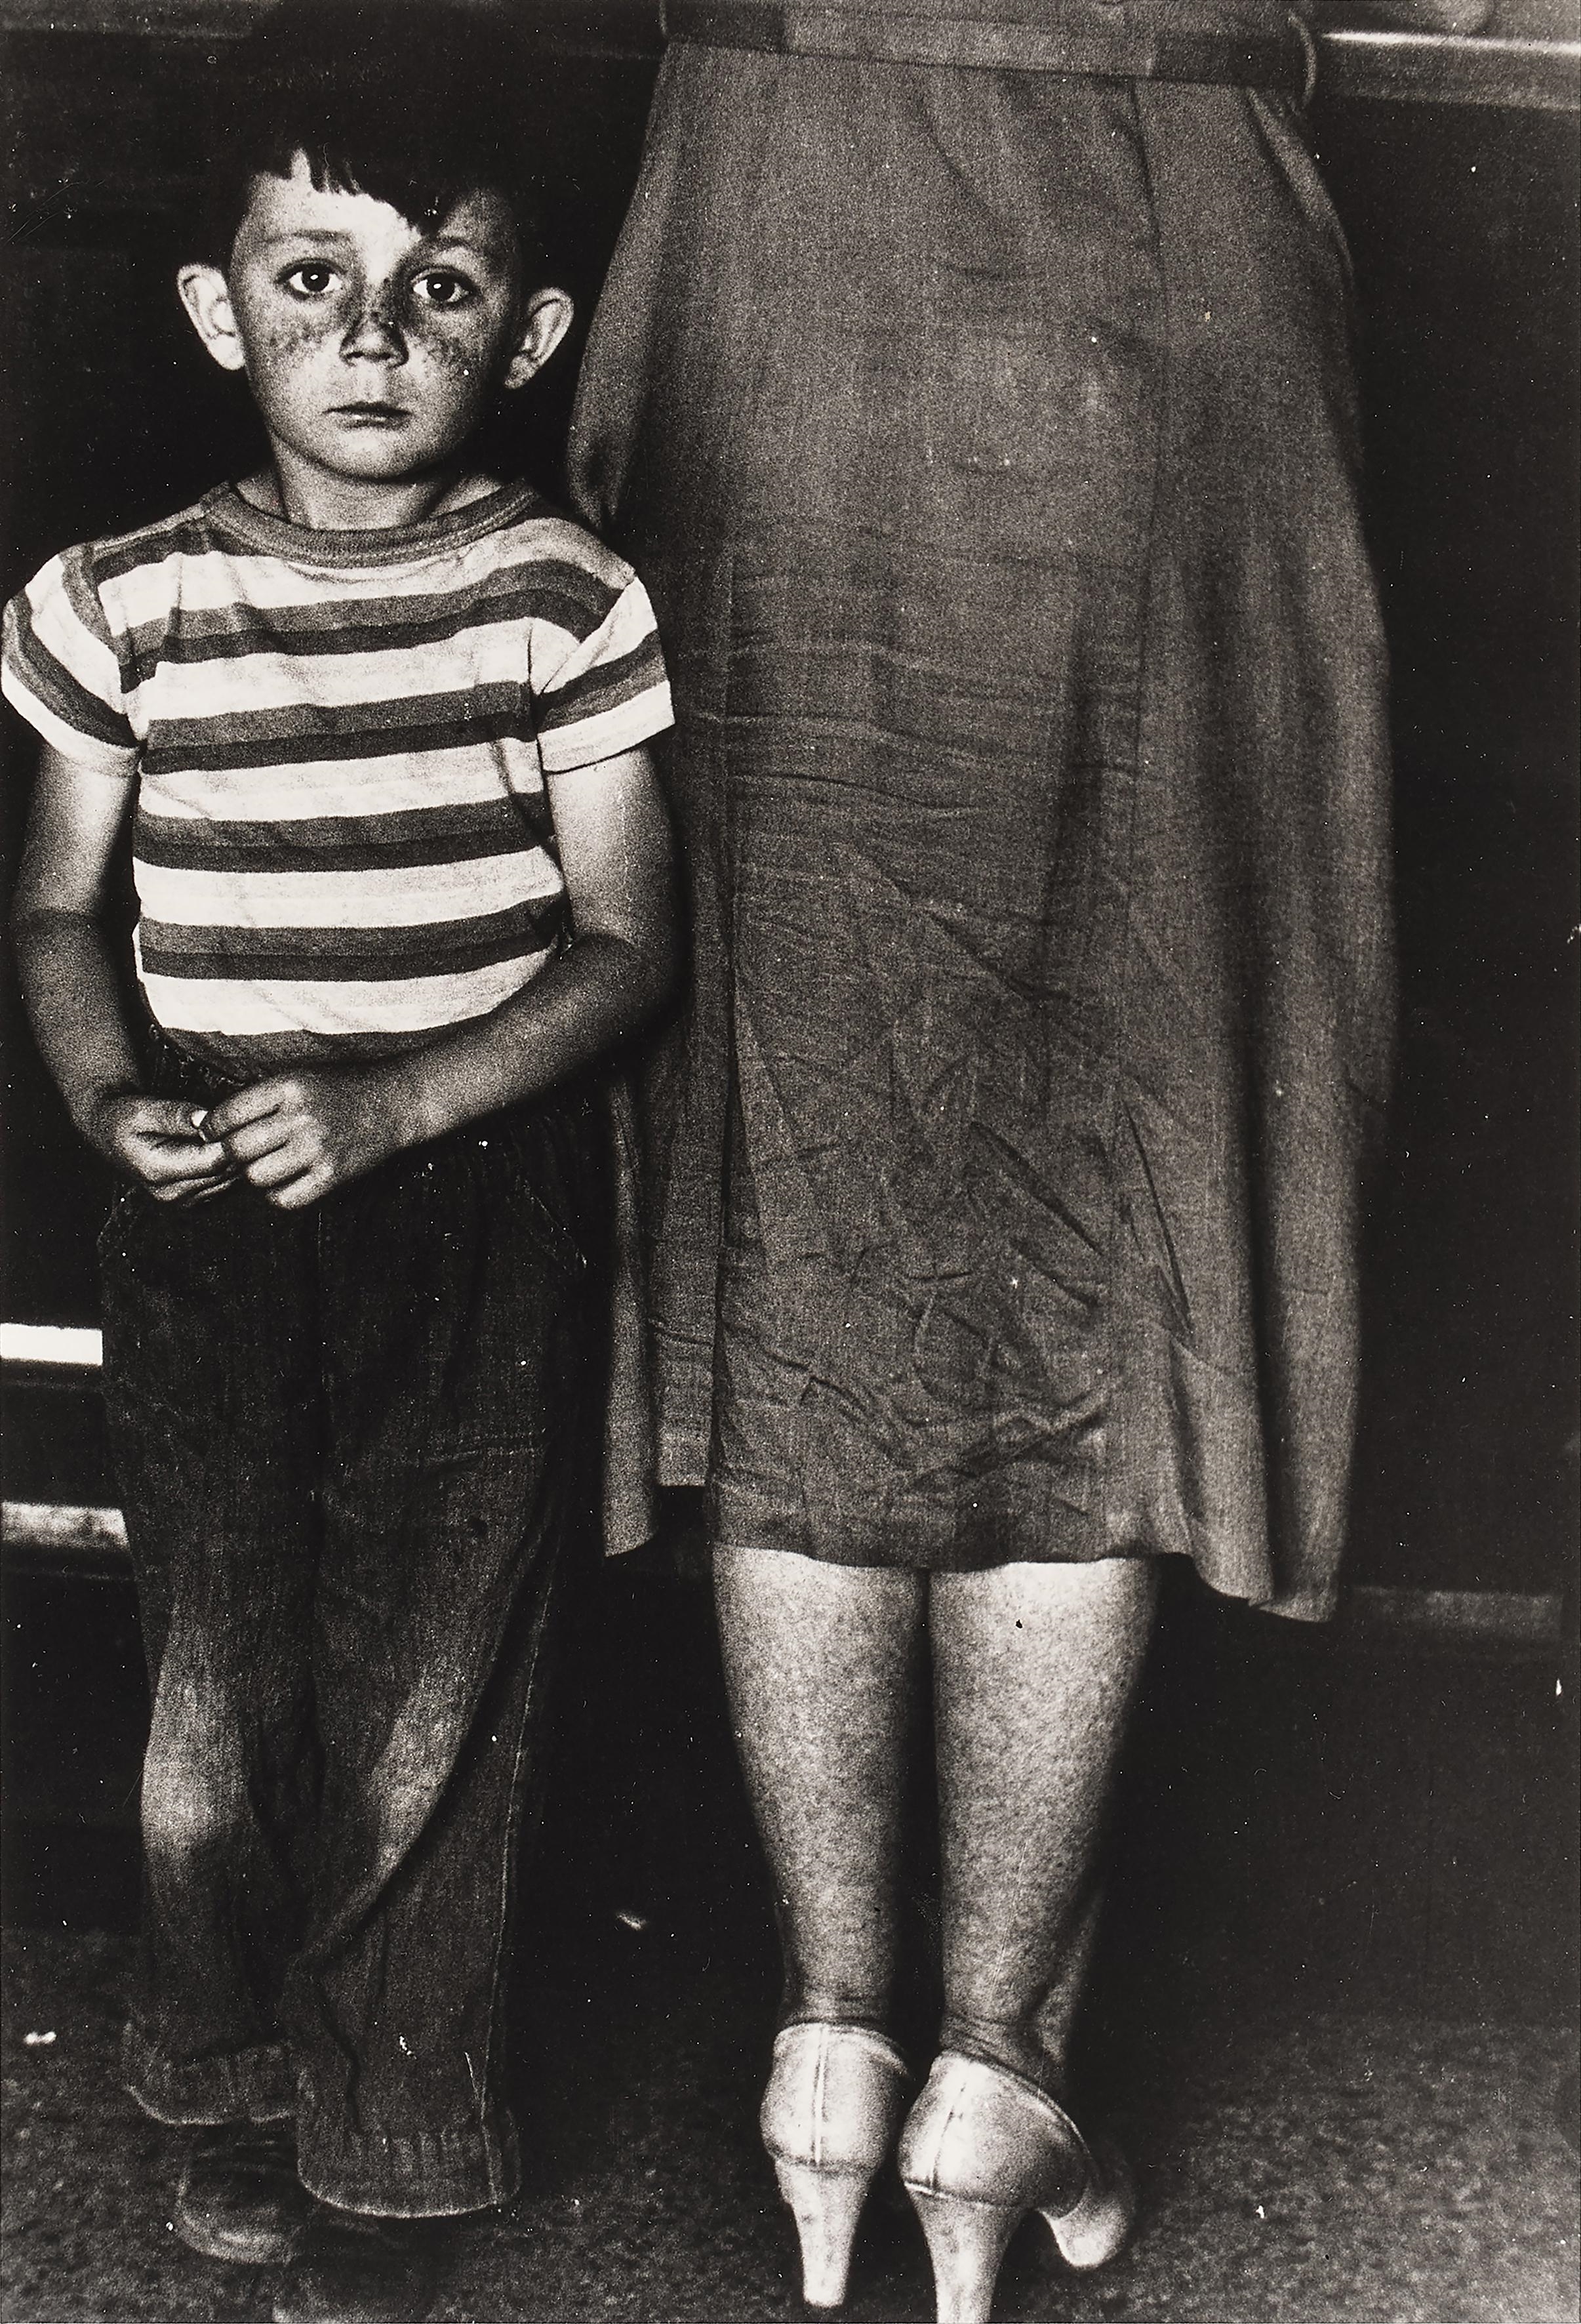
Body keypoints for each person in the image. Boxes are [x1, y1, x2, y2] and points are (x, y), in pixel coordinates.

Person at [568, 0, 1395, 2315]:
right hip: (1173, 206)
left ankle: (829, 2039)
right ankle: (998, 2063)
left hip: (779, 210)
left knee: (803, 1181)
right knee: (1103, 1196)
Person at [3, 9, 674, 2321]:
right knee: (217, 1689)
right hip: (203, 1220)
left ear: (532, 326)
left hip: (473, 1213)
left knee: (426, 1698)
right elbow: (54, 913)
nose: (375, 338)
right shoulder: (121, 604)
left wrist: (396, 1103)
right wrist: (112, 1100)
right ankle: (227, 2074)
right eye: (313, 279)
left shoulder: (560, 600)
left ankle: (395, 2149)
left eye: (443, 286)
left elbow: (622, 950)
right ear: (218, 311)